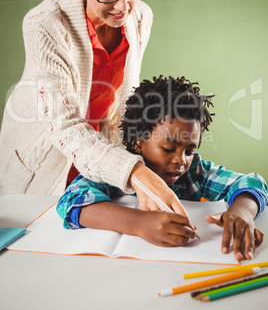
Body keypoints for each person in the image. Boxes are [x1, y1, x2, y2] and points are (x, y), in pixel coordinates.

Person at [0, 0, 186, 215]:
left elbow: (124, 105)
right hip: (44, 166)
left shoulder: (140, 17)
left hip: (100, 162)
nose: (122, 6)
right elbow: (66, 126)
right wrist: (136, 172)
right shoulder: (45, 23)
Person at [57, 75, 268, 260]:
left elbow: (251, 182)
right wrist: (138, 223)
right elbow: (72, 201)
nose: (181, 160)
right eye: (168, 148)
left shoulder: (194, 172)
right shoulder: (116, 167)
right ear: (137, 142)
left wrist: (242, 212)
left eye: (189, 150)